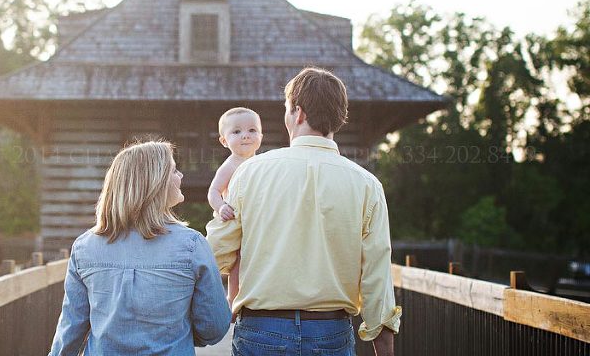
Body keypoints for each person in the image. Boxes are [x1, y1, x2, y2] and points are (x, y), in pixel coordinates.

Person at [206, 67, 401, 356]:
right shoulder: (366, 184)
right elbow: (377, 277)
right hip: (331, 334)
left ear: (298, 113)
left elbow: (216, 252)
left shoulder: (250, 172)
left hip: (261, 331)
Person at [48, 141, 231, 356]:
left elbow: (71, 328)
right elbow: (214, 328)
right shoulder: (192, 245)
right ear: (155, 182)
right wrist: (180, 331)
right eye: (174, 170)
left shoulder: (84, 247)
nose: (181, 175)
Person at [206, 107, 263, 309]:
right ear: (224, 141)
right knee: (237, 261)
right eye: (237, 132)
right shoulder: (230, 165)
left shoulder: (262, 163)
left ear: (261, 136)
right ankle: (233, 298)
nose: (245, 135)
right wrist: (221, 206)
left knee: (257, 257)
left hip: (256, 218)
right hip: (235, 219)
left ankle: (256, 294)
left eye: (252, 130)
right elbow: (213, 191)